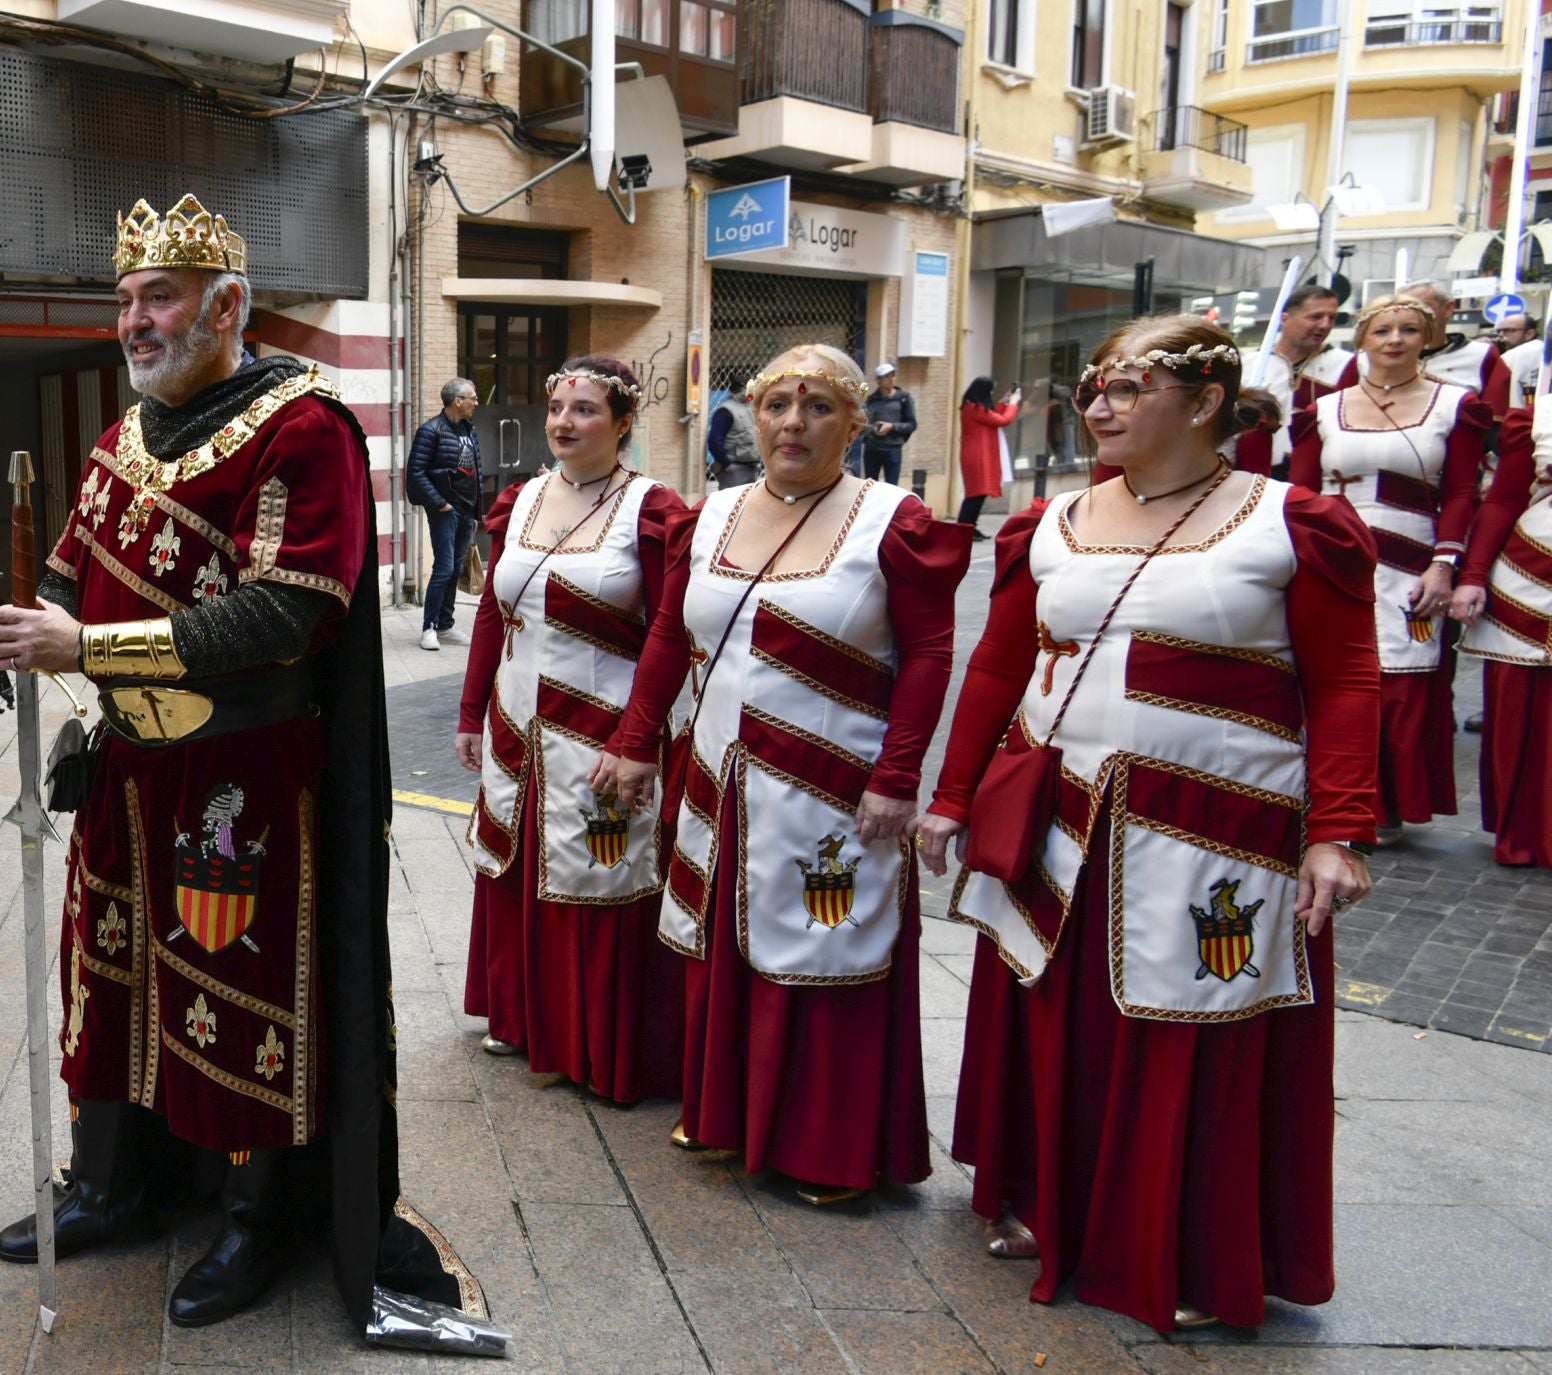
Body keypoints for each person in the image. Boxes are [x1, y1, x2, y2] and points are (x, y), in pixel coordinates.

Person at [0, 194, 482, 1332]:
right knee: (108, 979)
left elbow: (288, 613)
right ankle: (114, 1181)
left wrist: (87, 643)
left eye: (157, 297)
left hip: (243, 782)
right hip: (126, 771)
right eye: (123, 300)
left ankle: (261, 1214)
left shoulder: (305, 428)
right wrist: (13, 621)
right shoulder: (120, 439)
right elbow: (66, 576)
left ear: (228, 306)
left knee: (241, 993)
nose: (134, 321)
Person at [915, 315, 1377, 1334]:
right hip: (1061, 819)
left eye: (1126, 389)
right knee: (1058, 1016)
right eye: (1094, 387)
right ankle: (1049, 1203)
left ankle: (1182, 1241)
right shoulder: (1049, 521)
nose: (1099, 406)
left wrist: (1338, 827)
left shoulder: (1291, 522)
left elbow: (1344, 679)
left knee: (1184, 1033)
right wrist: (950, 795)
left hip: (1219, 831)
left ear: (1206, 402)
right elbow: (997, 663)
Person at [597, 343, 971, 1204]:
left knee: (824, 950)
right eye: (776, 405)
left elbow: (929, 652)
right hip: (720, 773)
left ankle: (825, 1147)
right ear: (751, 414)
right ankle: (727, 1113)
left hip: (833, 781)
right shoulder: (713, 512)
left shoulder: (894, 518)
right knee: (719, 940)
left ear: (856, 423)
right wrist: (634, 738)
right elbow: (666, 636)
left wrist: (900, 774)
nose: (792, 424)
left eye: (819, 407)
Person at [455, 355, 687, 1100]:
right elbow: (494, 608)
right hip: (516, 719)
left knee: (597, 872)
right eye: (557, 407)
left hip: (601, 727)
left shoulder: (652, 509)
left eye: (585, 410)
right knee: (514, 863)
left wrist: (637, 739)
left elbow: (670, 632)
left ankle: (594, 1043)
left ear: (623, 423)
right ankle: (522, 1017)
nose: (564, 422)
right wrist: (468, 712)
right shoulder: (519, 500)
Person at [1291, 294, 1488, 845]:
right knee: (1324, 680)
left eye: (1408, 329)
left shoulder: (1455, 404)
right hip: (1332, 563)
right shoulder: (1324, 410)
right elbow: (1301, 493)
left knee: (1398, 684)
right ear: (1363, 339)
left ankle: (1383, 808)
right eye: (1382, 330)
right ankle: (1321, 799)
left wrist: (1445, 565)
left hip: (1412, 565)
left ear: (1427, 337)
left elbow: (1462, 491)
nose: (1394, 340)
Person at [1453, 402, 1551, 865]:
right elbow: (1506, 498)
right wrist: (1471, 575)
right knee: (1523, 709)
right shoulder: (1539, 418)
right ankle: (1529, 834)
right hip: (1531, 581)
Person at [1346, 283, 1511, 419]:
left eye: (1421, 307)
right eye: (1381, 331)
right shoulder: (1364, 358)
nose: (1395, 340)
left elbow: (1494, 421)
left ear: (1448, 308)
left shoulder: (1481, 355)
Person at [1235, 283, 1351, 476]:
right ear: (1285, 318)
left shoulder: (1346, 366)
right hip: (1256, 472)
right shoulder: (1250, 365)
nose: (1325, 325)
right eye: (1315, 316)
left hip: (1317, 473)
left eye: (1331, 318)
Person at [407, 377, 481, 652]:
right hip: (445, 512)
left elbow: (476, 473)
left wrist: (475, 513)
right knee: (444, 568)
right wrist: (440, 504)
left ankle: (447, 625)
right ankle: (430, 628)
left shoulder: (469, 430)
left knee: (455, 570)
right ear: (457, 401)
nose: (476, 402)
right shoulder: (431, 431)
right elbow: (415, 472)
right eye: (472, 397)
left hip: (465, 512)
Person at [958, 377, 1021, 541]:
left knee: (979, 494)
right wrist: (1013, 403)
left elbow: (993, 415)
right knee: (975, 494)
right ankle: (964, 528)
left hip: (979, 454)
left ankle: (969, 527)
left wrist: (1004, 402)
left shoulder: (974, 408)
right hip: (977, 456)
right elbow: (1003, 420)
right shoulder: (973, 408)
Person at [860, 361, 917, 484]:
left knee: (892, 486)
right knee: (870, 486)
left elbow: (911, 424)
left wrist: (892, 427)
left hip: (893, 449)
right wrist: (873, 429)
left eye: (892, 375)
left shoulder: (903, 398)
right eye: (887, 376)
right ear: (879, 380)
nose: (891, 379)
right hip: (873, 448)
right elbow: (861, 425)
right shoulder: (871, 401)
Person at [705, 375, 760, 488]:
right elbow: (714, 440)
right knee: (732, 503)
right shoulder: (726, 411)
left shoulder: (751, 408)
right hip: (734, 469)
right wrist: (726, 464)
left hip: (752, 466)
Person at [1496, 313, 1540, 409]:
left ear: (1529, 334)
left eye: (1508, 331)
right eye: (1498, 331)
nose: (1500, 335)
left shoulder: (1508, 357)